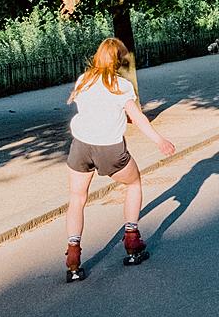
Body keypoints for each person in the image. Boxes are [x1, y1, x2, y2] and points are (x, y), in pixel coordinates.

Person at [64, 38, 177, 282]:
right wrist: (159, 140)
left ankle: (73, 256)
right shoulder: (121, 86)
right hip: (109, 148)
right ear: (118, 61)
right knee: (134, 183)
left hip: (80, 146)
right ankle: (132, 240)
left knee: (77, 198)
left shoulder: (84, 80)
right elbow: (137, 118)